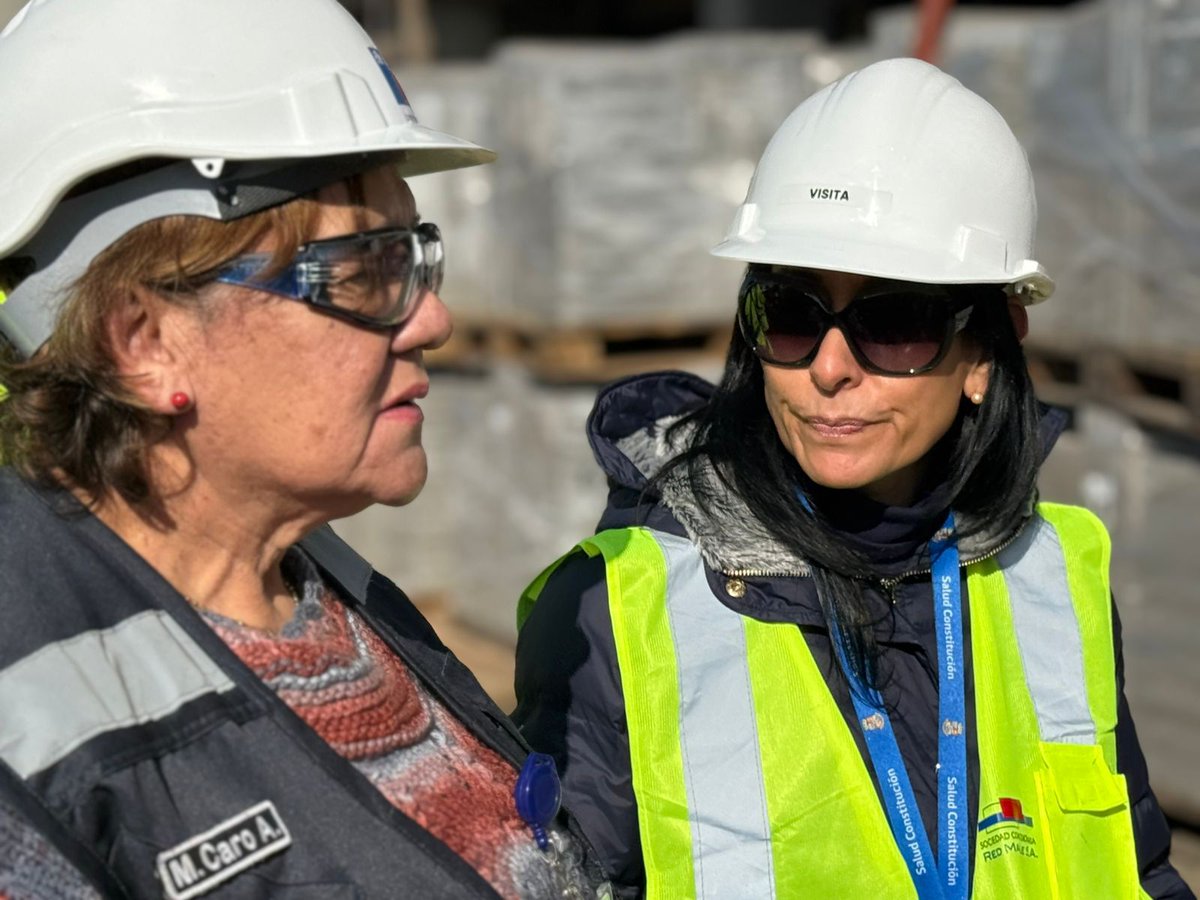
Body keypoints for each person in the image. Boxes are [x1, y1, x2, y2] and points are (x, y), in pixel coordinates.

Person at [513, 58, 1194, 899]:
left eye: (894, 324)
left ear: (985, 351)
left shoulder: (1052, 582)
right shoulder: (613, 614)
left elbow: (1140, 869)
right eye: (791, 315)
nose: (830, 369)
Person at [0, 1, 603, 897]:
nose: (432, 319)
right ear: (144, 343)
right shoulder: (31, 748)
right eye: (361, 269)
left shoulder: (323, 590)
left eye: (415, 258)